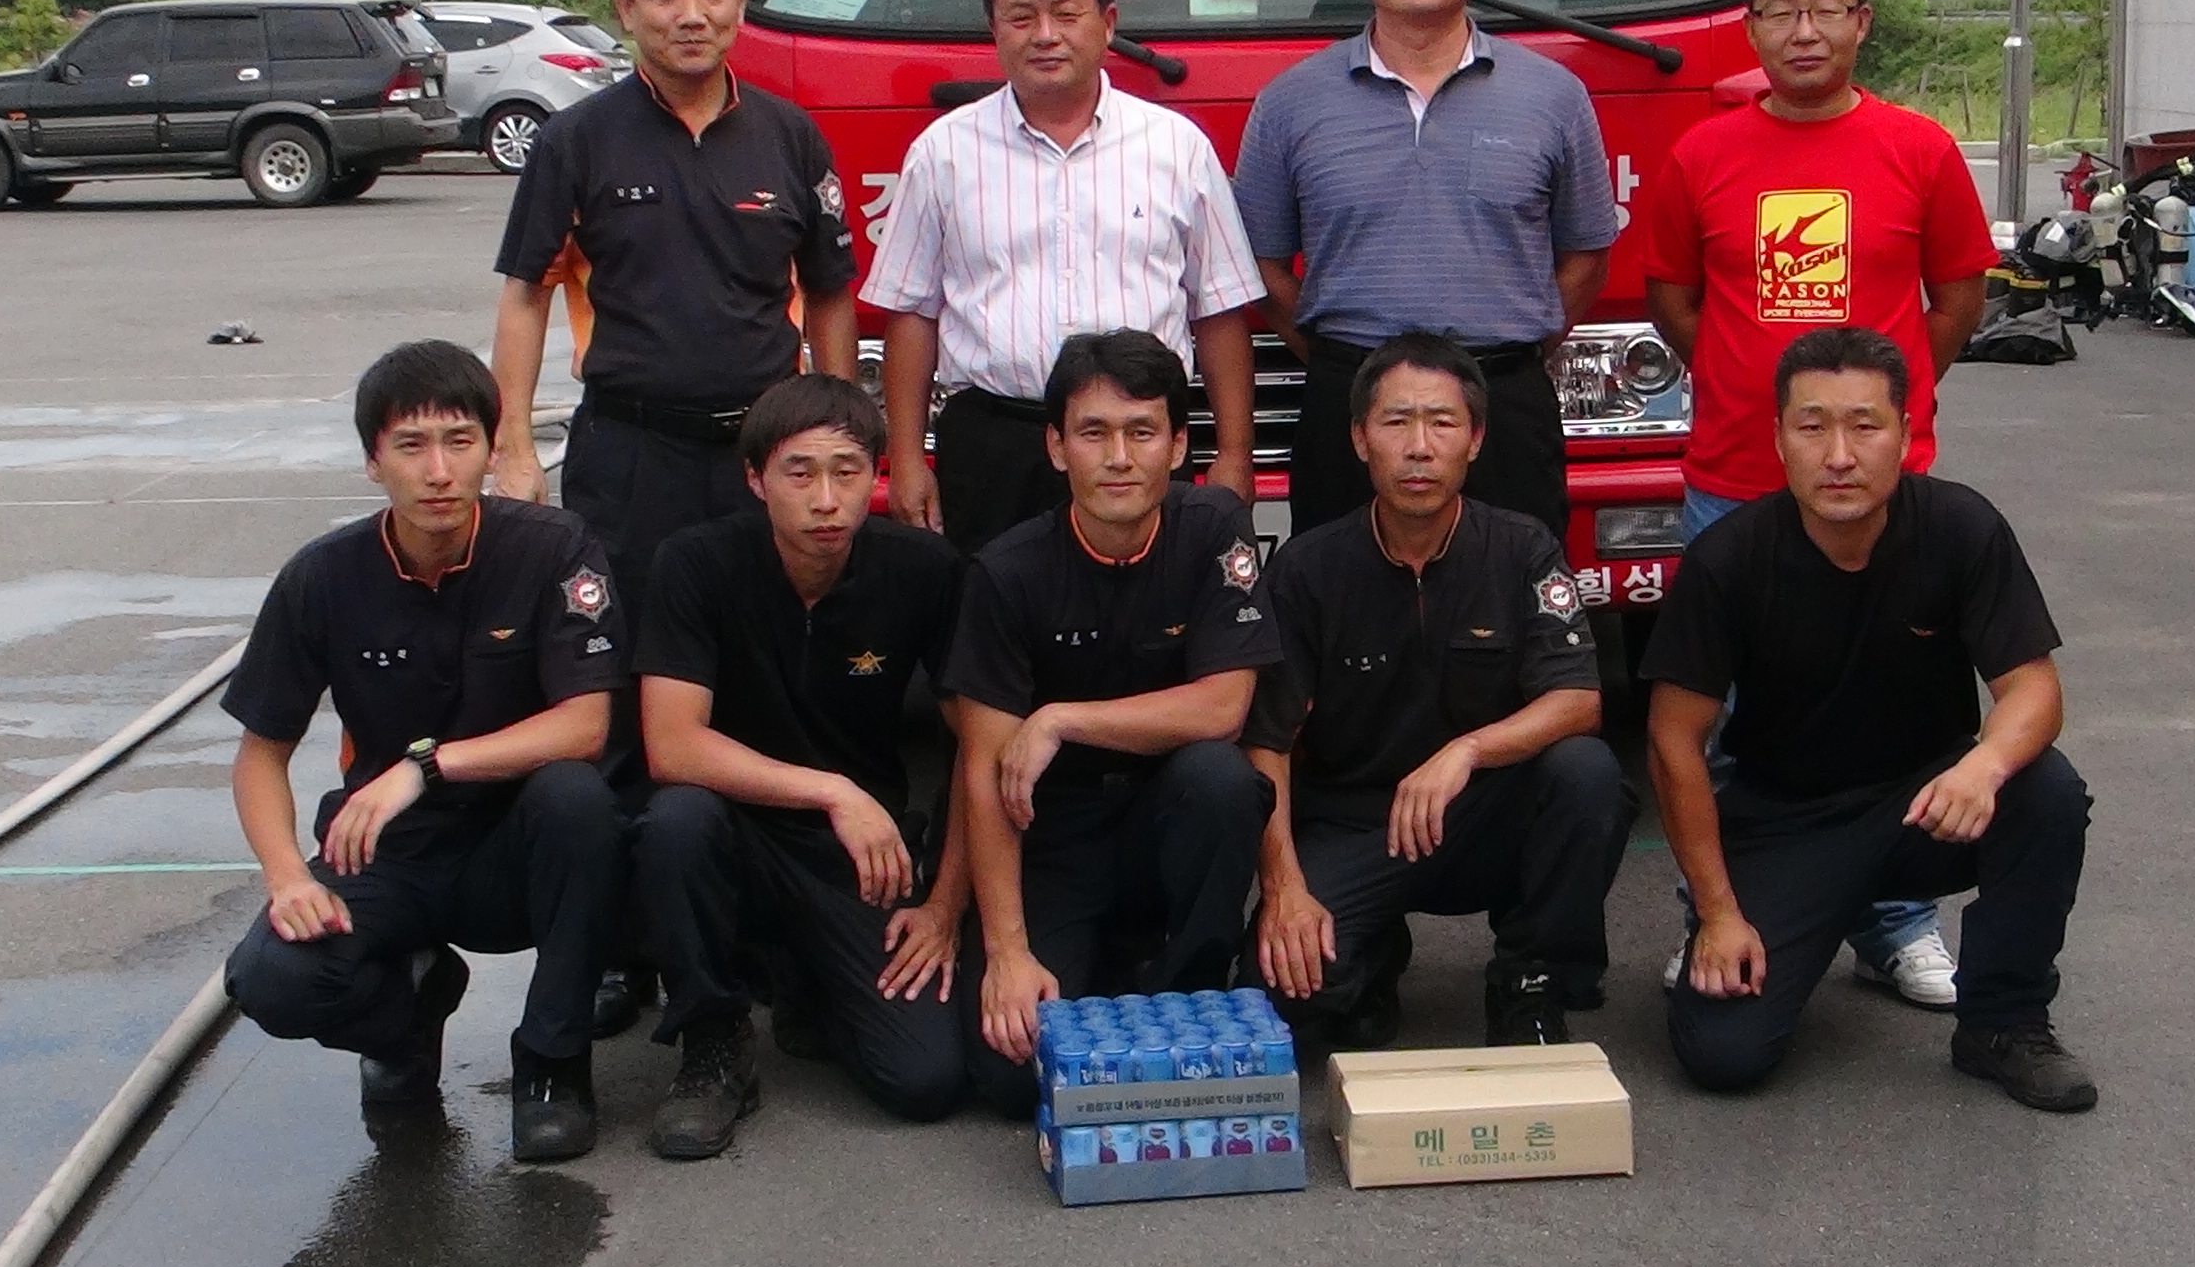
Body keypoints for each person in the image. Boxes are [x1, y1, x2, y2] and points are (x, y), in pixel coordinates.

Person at [1636, 0, 2000, 1011]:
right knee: (1725, 723)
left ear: (1862, 22)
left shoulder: (1919, 150)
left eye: (1825, 8)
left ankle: (1895, 925)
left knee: (1890, 721)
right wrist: (1745, 386)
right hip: (1732, 481)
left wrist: (1888, 409)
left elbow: (1957, 299)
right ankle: (1717, 916)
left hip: (1881, 496)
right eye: (1779, 11)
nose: (1803, 30)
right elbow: (1672, 299)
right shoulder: (1702, 155)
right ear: (1749, 27)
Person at [1643, 327, 2099, 1111]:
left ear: (1906, 434)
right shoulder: (1729, 560)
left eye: (1864, 426)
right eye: (1812, 427)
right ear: (1778, 438)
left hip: (1924, 806)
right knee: (1724, 1054)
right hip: (1787, 822)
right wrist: (1717, 913)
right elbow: (1671, 739)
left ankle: (2004, 1023)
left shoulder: (1960, 528)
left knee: (2045, 791)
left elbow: (2033, 689)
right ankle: (1778, 929)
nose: (1839, 455)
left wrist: (1982, 767)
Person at [221, 340, 630, 1162]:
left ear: (491, 447)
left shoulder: (553, 548)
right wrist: (287, 877)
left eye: (459, 441)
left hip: (516, 852)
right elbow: (261, 753)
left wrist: (425, 766)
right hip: (388, 853)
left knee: (577, 799)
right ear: (373, 461)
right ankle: (408, 1012)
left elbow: (585, 725)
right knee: (271, 979)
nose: (439, 471)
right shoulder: (322, 577)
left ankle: (553, 1067)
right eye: (411, 446)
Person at [624, 374, 977, 1154]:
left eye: (847, 473)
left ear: (874, 475)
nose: (826, 500)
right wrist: (832, 791)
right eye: (800, 473)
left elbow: (979, 745)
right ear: (755, 478)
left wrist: (945, 907)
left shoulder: (923, 570)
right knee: (675, 821)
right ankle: (713, 1042)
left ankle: (806, 979)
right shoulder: (695, 563)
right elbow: (672, 743)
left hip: (859, 856)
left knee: (924, 1079)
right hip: (737, 832)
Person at [1247, 333, 1627, 1050]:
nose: (1419, 448)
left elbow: (1579, 700)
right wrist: (1284, 889)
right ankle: (1373, 956)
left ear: (1475, 440)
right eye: (1396, 422)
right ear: (1359, 439)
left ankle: (1531, 977)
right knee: (1288, 998)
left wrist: (1467, 752)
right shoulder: (1306, 569)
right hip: (1356, 826)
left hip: (1483, 813)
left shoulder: (1523, 549)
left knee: (1586, 773)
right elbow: (1266, 742)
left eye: (1442, 423)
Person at [1232, 0, 1620, 534]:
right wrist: (1348, 362)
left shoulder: (1554, 97)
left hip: (1503, 408)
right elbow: (1260, 265)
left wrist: (1504, 356)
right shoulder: (1290, 102)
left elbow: (1586, 255)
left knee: (1511, 590)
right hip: (1349, 407)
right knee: (1340, 593)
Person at [951, 330, 1281, 1112]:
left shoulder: (1214, 531)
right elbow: (983, 770)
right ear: (1056, 447)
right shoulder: (1006, 572)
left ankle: (1191, 991)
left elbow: (1224, 706)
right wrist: (1007, 953)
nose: (1120, 458)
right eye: (1094, 433)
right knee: (1011, 1076)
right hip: (1053, 831)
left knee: (1220, 779)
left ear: (1179, 446)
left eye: (1142, 432)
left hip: (1164, 818)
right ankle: (1102, 963)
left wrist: (1061, 719)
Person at [488, 0, 860, 579]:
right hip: (629, 456)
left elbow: (830, 293)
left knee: (765, 634)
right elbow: (526, 296)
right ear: (626, 9)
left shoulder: (790, 137)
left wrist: (838, 441)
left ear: (740, 4)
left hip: (766, 452)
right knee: (629, 634)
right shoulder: (575, 142)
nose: (692, 15)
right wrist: (512, 447)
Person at [863, 0, 1264, 552]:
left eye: (1066, 14)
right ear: (994, 29)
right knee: (992, 604)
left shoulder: (1177, 147)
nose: (1045, 35)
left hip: (1138, 438)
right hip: (996, 444)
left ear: (1108, 23)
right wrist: (908, 458)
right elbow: (913, 314)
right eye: (1021, 17)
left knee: (1148, 606)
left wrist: (1235, 454)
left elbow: (1218, 309)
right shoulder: (943, 153)